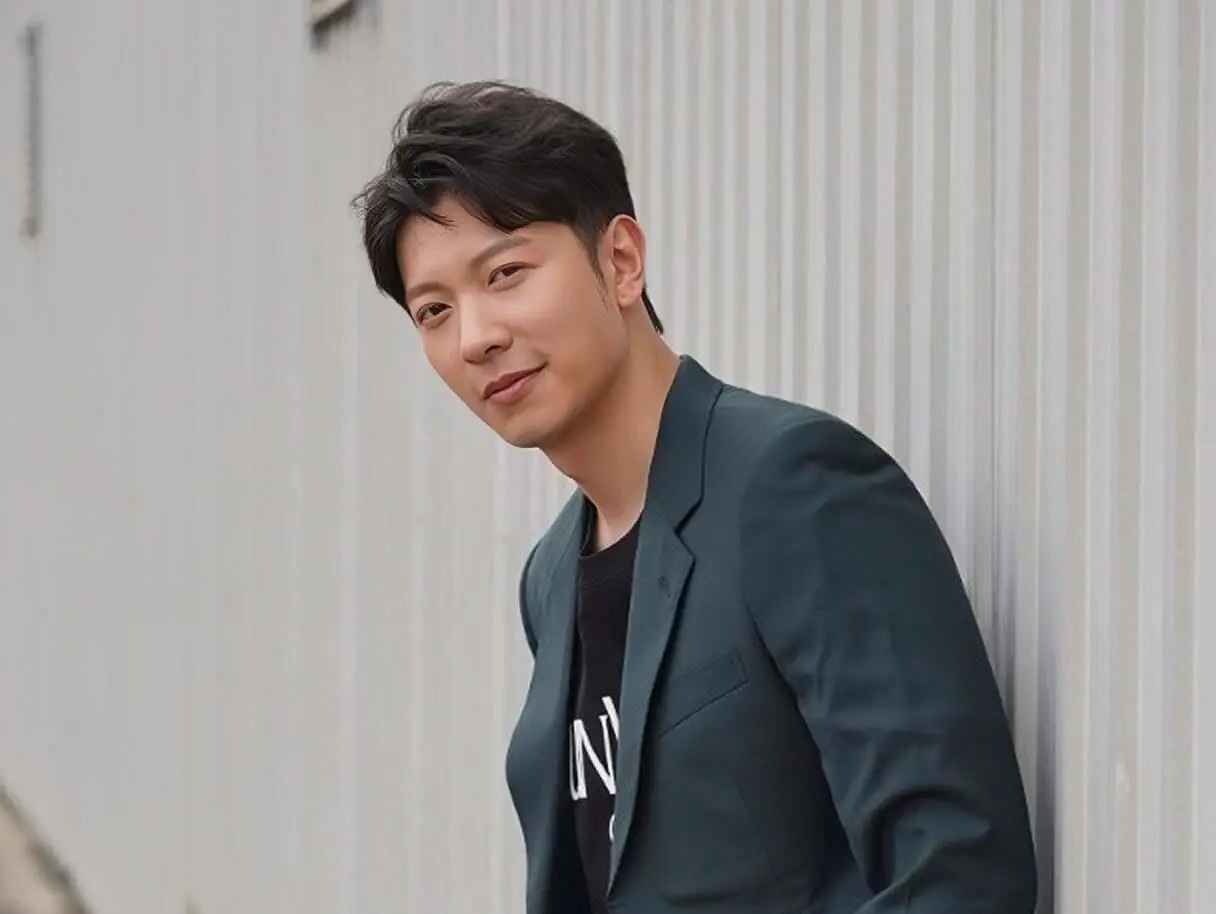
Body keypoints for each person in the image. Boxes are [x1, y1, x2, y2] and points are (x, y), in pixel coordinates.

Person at [352, 80, 1038, 914]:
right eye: (434, 310)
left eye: (506, 273)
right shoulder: (551, 577)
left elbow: (961, 870)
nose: (476, 336)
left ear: (621, 261)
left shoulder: (794, 486)